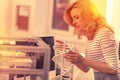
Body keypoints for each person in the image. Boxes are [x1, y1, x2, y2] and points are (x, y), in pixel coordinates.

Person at [63, 0, 120, 80]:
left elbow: (113, 69)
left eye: (76, 17)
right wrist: (74, 58)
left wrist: (83, 59)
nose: (73, 23)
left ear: (88, 15)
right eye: (72, 19)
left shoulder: (104, 33)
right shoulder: (92, 36)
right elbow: (86, 68)